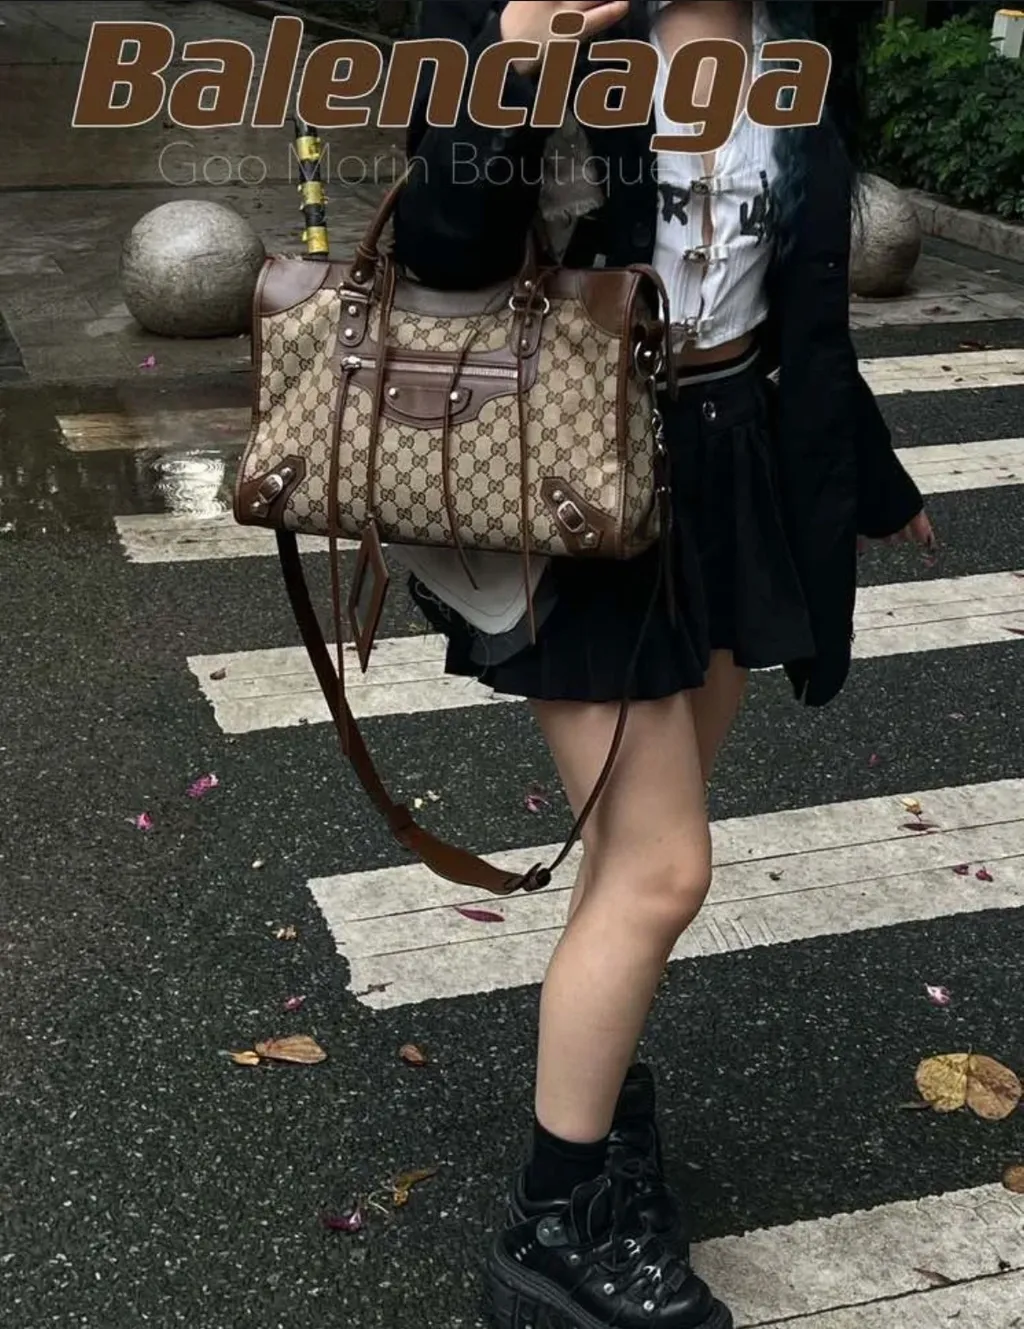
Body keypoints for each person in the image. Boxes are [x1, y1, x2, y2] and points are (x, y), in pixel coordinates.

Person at [392, 3, 935, 1326]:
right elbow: (441, 243)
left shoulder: (795, 27)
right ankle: (555, 1225)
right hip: (572, 463)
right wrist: (521, 61)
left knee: (634, 853)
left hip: (728, 459)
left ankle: (601, 1114)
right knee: (663, 867)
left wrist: (866, 472)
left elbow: (790, 281)